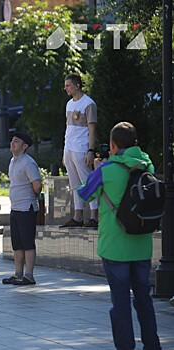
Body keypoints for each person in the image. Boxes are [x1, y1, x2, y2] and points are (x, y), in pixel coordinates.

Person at [77, 122, 161, 349]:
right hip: (141, 245)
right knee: (144, 298)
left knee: (121, 301)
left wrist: (96, 168)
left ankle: (125, 346)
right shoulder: (147, 167)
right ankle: (153, 344)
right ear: (135, 143)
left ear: (113, 145)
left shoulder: (106, 170)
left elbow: (84, 193)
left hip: (114, 246)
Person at [2, 132, 42, 286]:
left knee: (27, 243)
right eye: (12, 140)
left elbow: (37, 185)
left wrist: (32, 195)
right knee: (17, 244)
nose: (12, 143)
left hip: (27, 208)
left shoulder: (28, 162)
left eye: (16, 141)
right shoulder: (13, 161)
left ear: (25, 146)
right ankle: (18, 273)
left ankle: (29, 276)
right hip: (16, 208)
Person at [61, 73, 99, 228]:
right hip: (69, 148)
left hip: (81, 147)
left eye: (68, 85)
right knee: (75, 184)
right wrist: (64, 151)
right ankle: (77, 216)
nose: (66, 88)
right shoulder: (69, 104)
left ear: (77, 85)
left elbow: (92, 128)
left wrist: (91, 150)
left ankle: (94, 216)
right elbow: (68, 128)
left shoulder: (88, 103)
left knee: (87, 182)